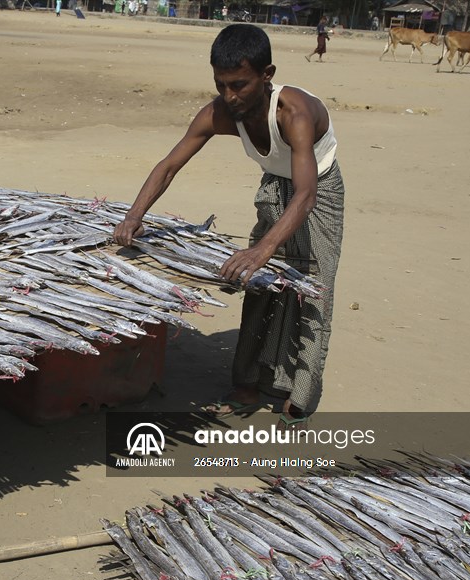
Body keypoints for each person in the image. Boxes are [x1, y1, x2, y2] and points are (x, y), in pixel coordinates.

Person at [113, 24, 344, 425]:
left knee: (314, 284)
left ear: (266, 75)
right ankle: (248, 383)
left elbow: (306, 195)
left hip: (319, 189)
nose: (229, 95)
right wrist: (134, 216)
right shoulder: (221, 112)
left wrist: (261, 248)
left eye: (238, 84)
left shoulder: (295, 114)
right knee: (259, 285)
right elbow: (170, 165)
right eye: (221, 84)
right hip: (276, 184)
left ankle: (301, 391)